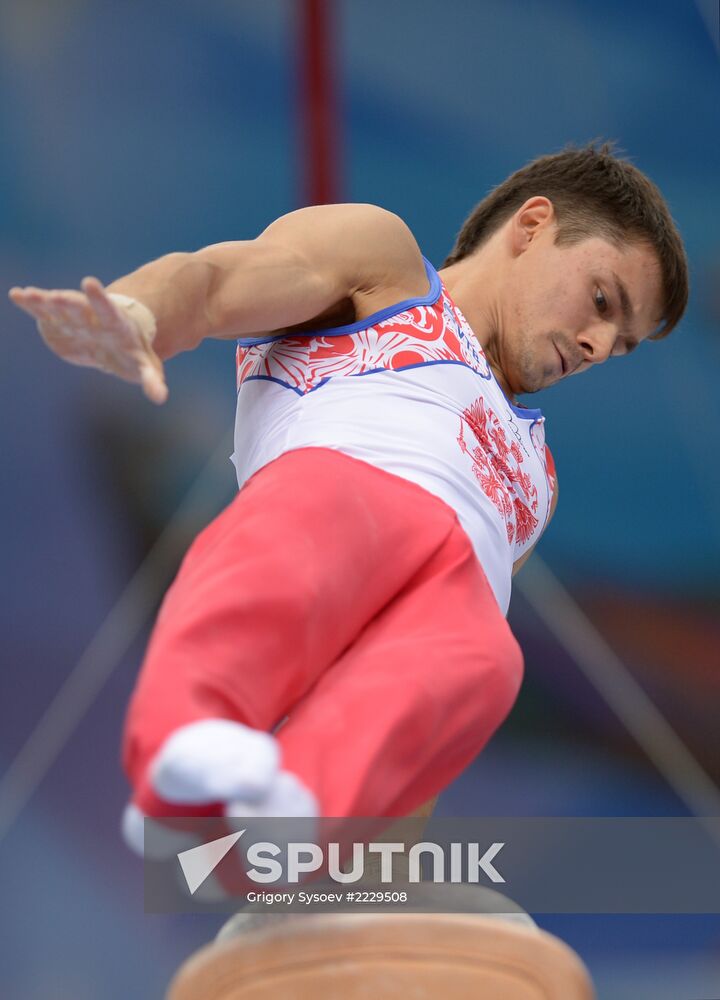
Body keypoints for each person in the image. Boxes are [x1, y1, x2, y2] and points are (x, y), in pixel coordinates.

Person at [9, 143, 688, 855]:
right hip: (336, 500)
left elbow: (414, 721)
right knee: (312, 530)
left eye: (620, 344)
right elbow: (214, 281)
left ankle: (304, 813)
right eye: (602, 301)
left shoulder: (536, 479)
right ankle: (186, 748)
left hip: (448, 587)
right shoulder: (387, 270)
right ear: (532, 225)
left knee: (482, 658)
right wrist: (141, 313)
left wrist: (383, 878)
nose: (596, 344)